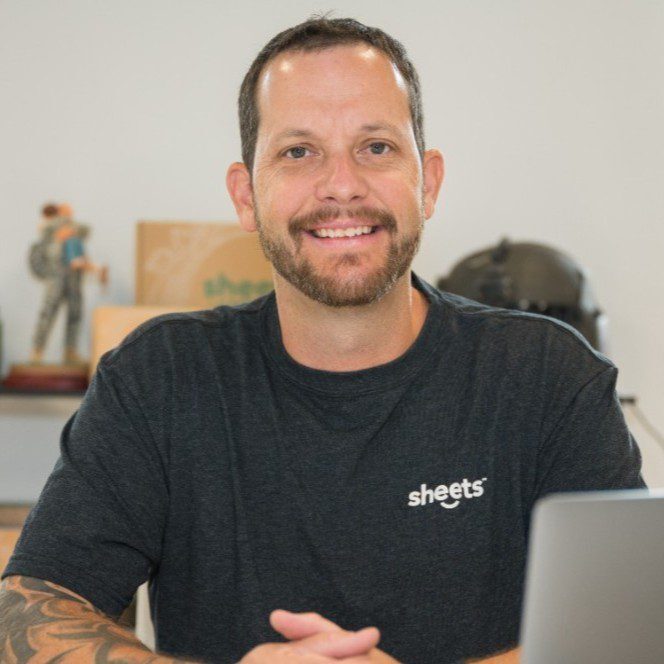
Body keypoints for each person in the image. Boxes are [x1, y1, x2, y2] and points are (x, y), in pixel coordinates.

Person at [0, 16, 645, 664]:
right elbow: (29, 607)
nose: (342, 185)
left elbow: (634, 630)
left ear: (429, 182)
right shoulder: (160, 379)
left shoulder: (549, 378)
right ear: (246, 195)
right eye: (299, 152)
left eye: (376, 147)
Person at [30, 203, 108, 365]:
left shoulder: (75, 233)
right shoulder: (49, 232)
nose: (67, 216)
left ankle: (70, 351)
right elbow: (43, 254)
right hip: (56, 280)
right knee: (47, 314)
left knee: (75, 314)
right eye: (64, 212)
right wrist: (58, 235)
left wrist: (70, 231)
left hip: (73, 280)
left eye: (69, 213)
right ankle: (37, 350)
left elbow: (85, 231)